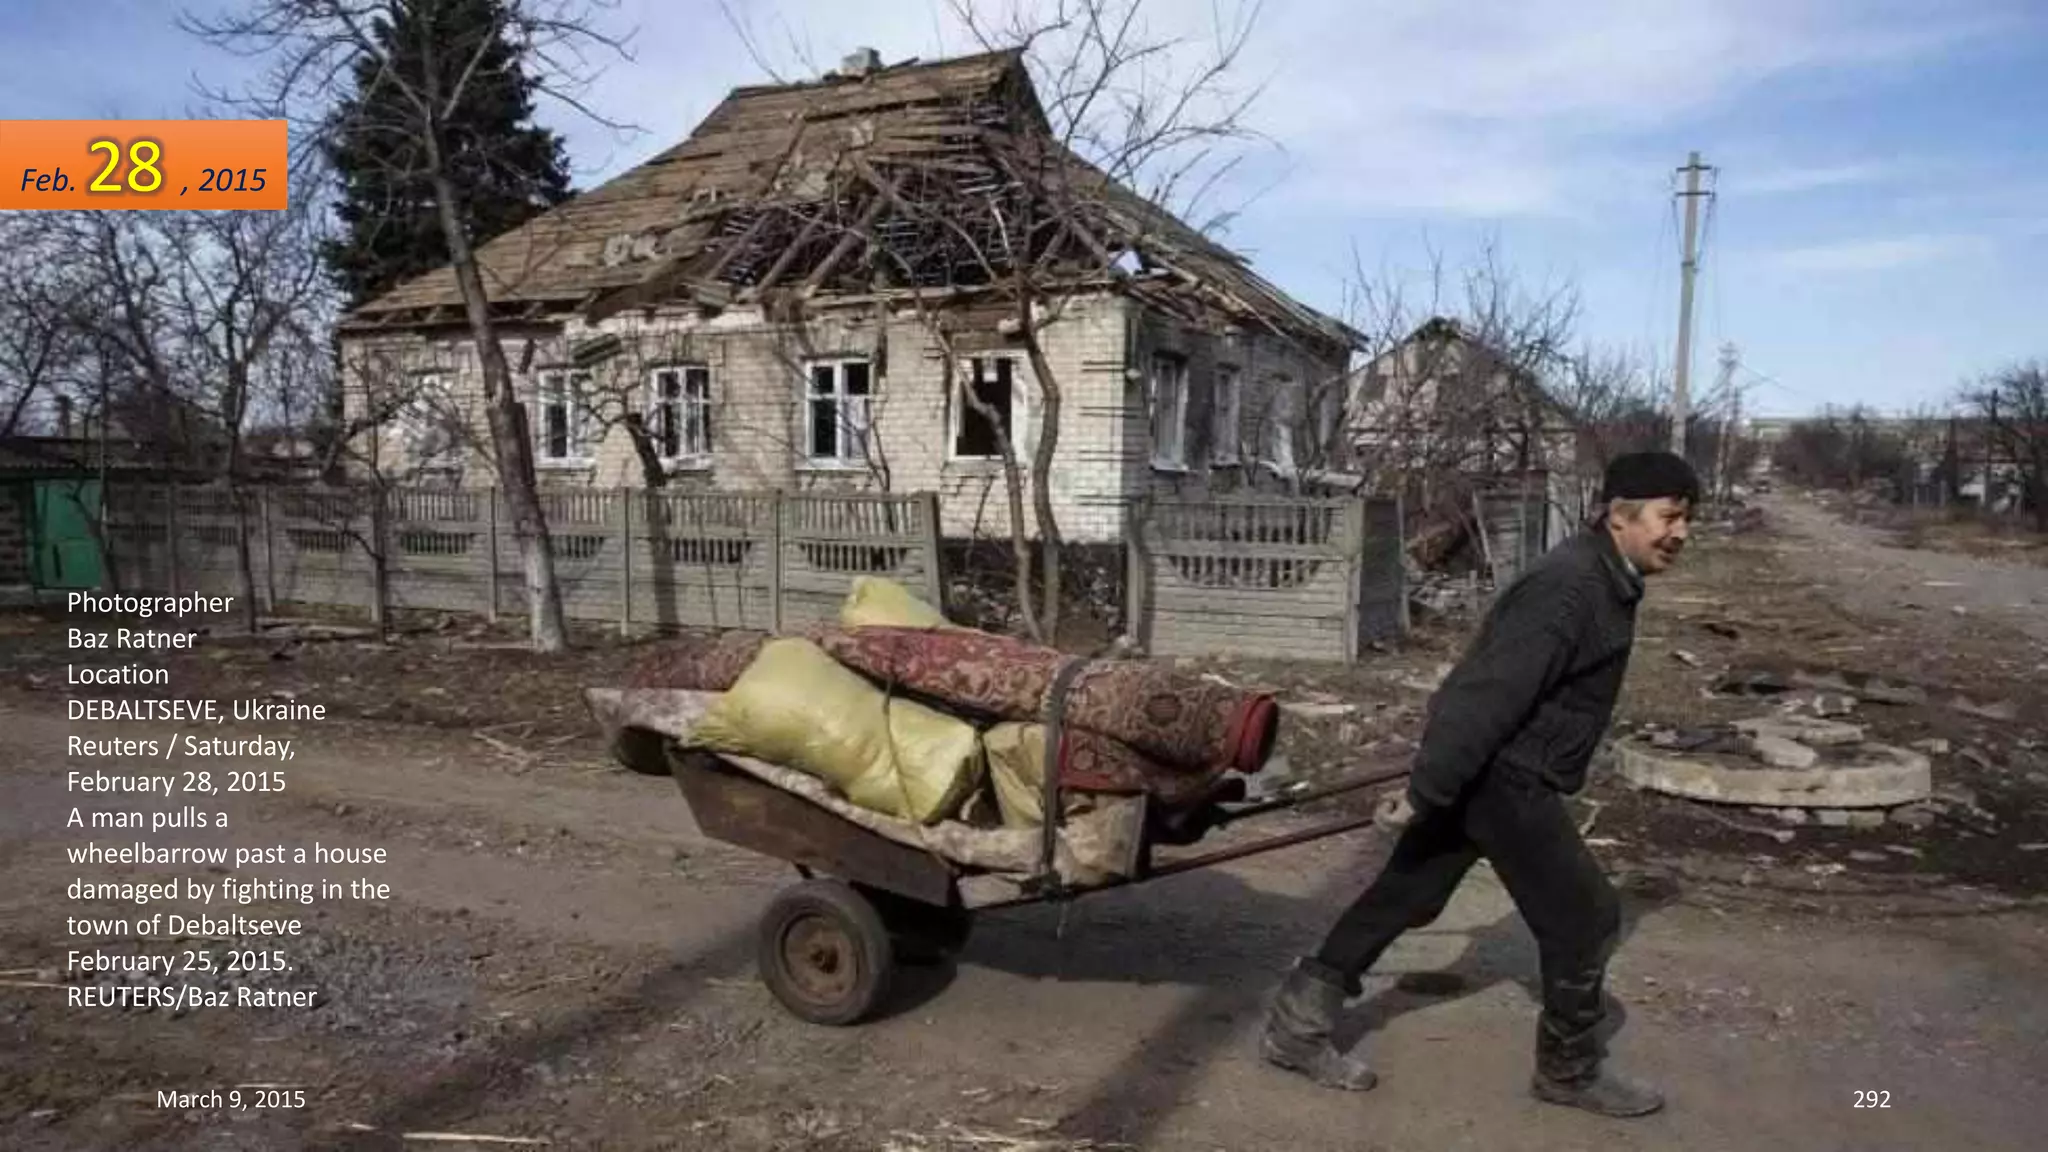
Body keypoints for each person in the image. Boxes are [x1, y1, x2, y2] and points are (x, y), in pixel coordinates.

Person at [1260, 450, 1700, 1119]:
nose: (1681, 533)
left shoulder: (1605, 577)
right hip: (1504, 775)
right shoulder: (1572, 587)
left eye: (1686, 519)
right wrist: (1427, 788)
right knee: (1587, 919)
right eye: (1670, 516)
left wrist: (1438, 786)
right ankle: (1570, 1072)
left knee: (1407, 893)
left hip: (1495, 767)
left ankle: (1296, 1028)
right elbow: (1484, 695)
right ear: (1619, 515)